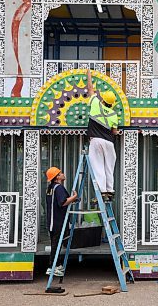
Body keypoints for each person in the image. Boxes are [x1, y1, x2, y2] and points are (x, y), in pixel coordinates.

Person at [86, 69, 119, 201]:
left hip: (96, 141)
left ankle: (102, 192)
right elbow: (114, 131)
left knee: (98, 166)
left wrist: (89, 75)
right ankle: (110, 191)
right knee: (109, 167)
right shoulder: (114, 114)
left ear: (103, 99)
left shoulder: (95, 104)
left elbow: (90, 89)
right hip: (109, 142)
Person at [45, 166, 78, 276]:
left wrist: (73, 199)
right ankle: (51, 267)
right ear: (57, 177)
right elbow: (63, 202)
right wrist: (75, 197)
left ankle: (57, 264)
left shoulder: (51, 188)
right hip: (57, 221)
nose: (63, 174)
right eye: (60, 173)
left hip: (52, 221)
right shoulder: (58, 188)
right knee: (56, 244)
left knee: (56, 243)